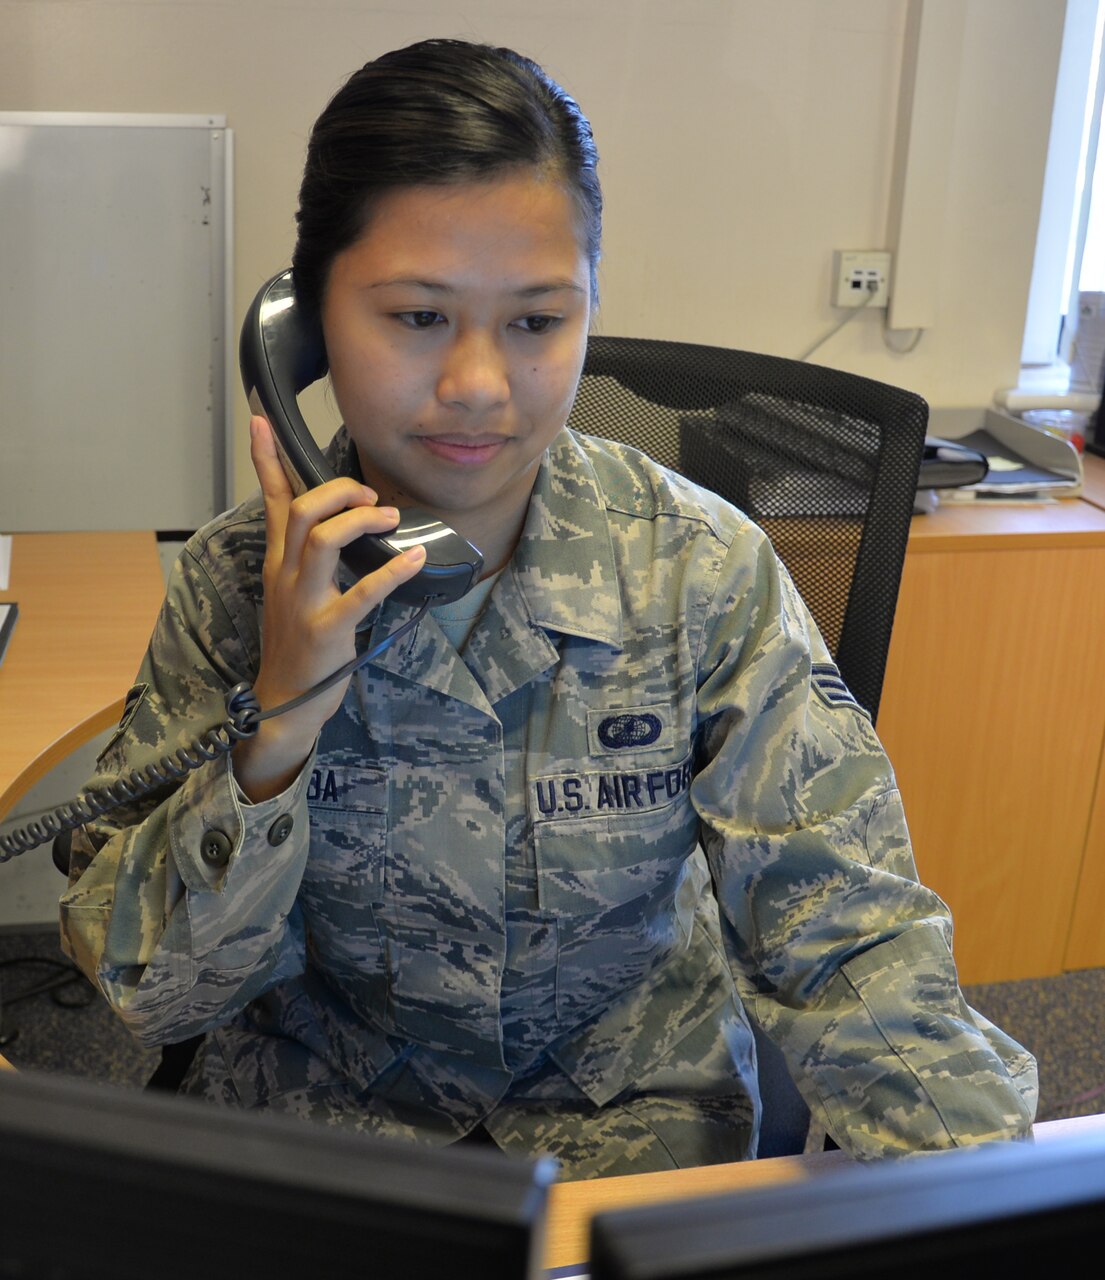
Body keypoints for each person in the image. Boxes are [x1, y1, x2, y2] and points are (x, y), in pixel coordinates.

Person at [59, 37, 1037, 1178]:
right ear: (309, 327)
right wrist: (274, 725)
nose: (478, 383)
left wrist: (993, 1194)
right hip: (332, 1144)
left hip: (634, 1135)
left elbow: (847, 935)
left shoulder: (697, 567)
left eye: (536, 321)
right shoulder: (236, 581)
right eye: (418, 317)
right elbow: (157, 995)